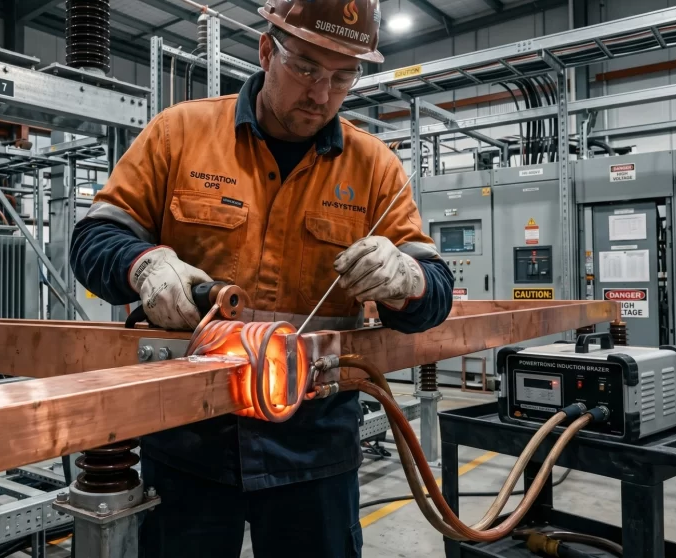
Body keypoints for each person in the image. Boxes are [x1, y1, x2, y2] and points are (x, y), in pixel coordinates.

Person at [69, 0, 454, 555]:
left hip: (315, 445)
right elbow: (94, 238)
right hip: (187, 434)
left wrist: (409, 278)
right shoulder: (180, 133)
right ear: (267, 50)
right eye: (306, 69)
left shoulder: (374, 168)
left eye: (342, 78)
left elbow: (435, 294)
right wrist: (143, 264)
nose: (321, 94)